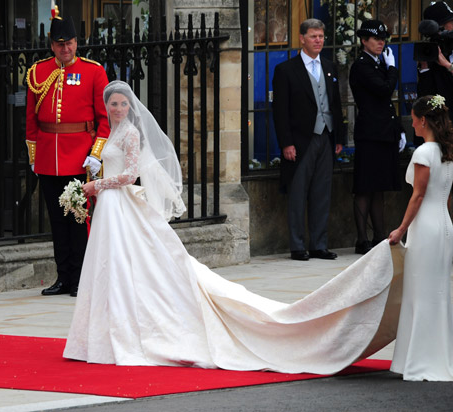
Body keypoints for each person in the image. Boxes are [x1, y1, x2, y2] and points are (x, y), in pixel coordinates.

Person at [63, 80, 403, 374]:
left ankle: (125, 330)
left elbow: (131, 174)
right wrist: (94, 179)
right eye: (114, 104)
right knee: (107, 265)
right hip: (110, 206)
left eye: (123, 103)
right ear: (106, 106)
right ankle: (102, 331)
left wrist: (97, 186)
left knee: (126, 263)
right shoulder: (111, 132)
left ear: (130, 106)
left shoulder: (132, 133)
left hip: (118, 202)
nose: (119, 108)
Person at [25, 13, 110, 297]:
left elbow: (104, 120)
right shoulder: (38, 72)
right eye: (60, 44)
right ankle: (63, 278)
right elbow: (30, 120)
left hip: (79, 158)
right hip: (49, 157)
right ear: (52, 45)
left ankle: (80, 279)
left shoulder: (94, 71)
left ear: (77, 42)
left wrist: (96, 154)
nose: (66, 48)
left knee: (78, 220)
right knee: (57, 221)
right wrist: (34, 155)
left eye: (70, 42)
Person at [389, 95, 453, 381]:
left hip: (425, 227)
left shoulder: (424, 153)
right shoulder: (450, 151)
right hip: (444, 225)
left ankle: (417, 359)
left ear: (423, 120)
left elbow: (418, 196)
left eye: (414, 117)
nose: (412, 122)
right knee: (437, 292)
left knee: (420, 292)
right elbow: (449, 197)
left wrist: (400, 229)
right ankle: (437, 355)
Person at [272, 18, 346, 261]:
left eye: (321, 37)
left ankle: (319, 244)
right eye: (314, 36)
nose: (318, 41)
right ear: (302, 38)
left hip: (326, 136)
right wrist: (286, 143)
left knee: (322, 192)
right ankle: (297, 246)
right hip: (300, 140)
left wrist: (339, 137)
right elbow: (280, 111)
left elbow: (336, 104)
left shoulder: (329, 66)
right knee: (298, 193)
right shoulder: (285, 70)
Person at [349, 20, 405, 255]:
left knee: (378, 186)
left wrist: (399, 128)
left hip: (383, 132)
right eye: (376, 39)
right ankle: (363, 239)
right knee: (366, 186)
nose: (381, 43)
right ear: (364, 41)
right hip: (371, 133)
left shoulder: (377, 63)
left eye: (383, 39)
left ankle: (379, 236)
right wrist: (393, 69)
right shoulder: (362, 66)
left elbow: (386, 103)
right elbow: (383, 90)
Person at [417, 1, 453, 228]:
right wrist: (425, 67)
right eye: (449, 25)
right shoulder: (429, 56)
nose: (452, 29)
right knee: (441, 185)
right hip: (441, 133)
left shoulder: (452, 55)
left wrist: (447, 65)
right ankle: (442, 230)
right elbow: (426, 98)